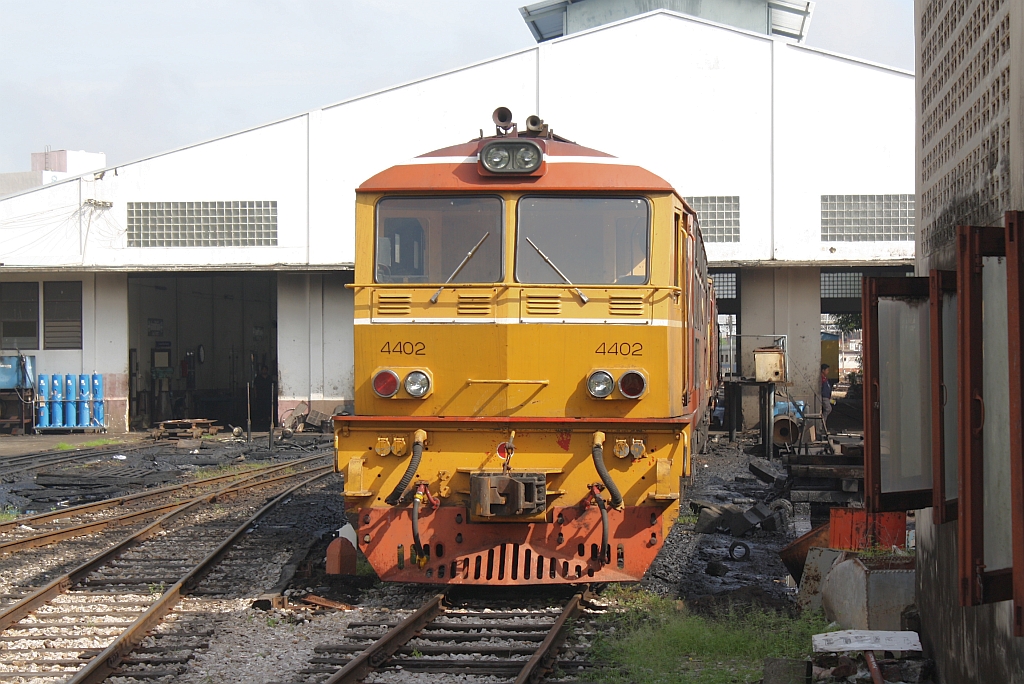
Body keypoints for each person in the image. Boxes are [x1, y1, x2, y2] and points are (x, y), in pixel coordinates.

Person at [252, 364, 273, 430]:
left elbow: (272, 386)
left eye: (265, 369)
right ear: (261, 371)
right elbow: (255, 387)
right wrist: (255, 395)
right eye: (263, 369)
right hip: (260, 396)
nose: (264, 371)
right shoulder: (258, 378)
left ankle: (268, 419)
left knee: (268, 407)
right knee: (260, 407)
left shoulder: (269, 378)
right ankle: (261, 420)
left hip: (268, 396)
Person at [820, 363, 833, 430]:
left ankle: (823, 423)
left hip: (827, 397)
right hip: (824, 397)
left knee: (828, 409)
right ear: (823, 370)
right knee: (828, 409)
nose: (828, 372)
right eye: (827, 370)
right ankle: (822, 424)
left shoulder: (825, 379)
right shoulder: (821, 379)